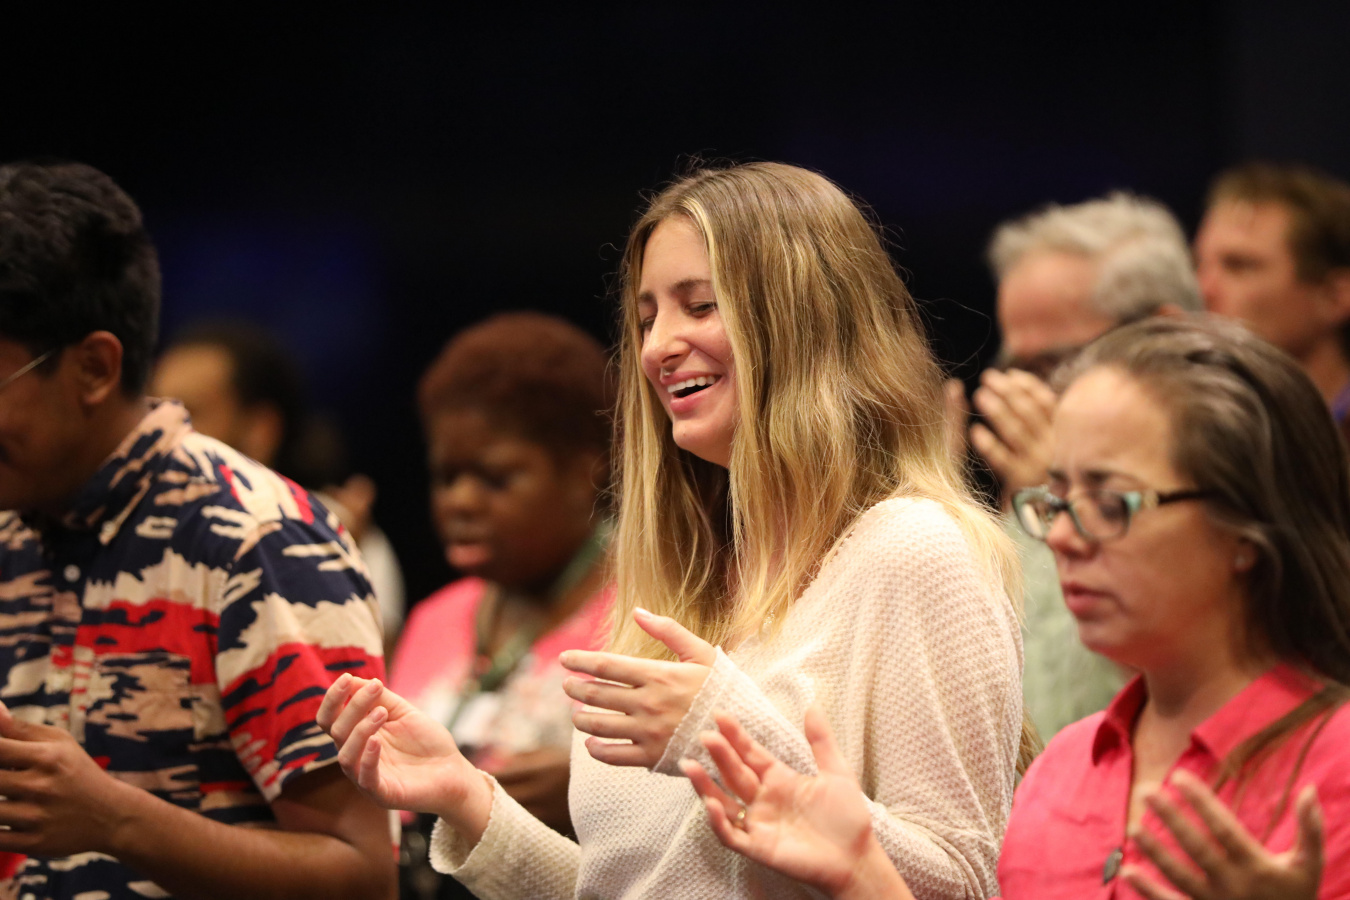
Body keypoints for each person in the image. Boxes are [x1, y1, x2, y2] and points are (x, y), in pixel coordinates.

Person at [317, 161, 1028, 899]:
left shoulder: (915, 550)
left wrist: (721, 734)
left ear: (800, 320)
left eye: (700, 306)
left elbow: (961, 880)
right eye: (648, 317)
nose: (658, 347)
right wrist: (470, 800)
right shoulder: (682, 578)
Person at [690, 316, 1350, 900]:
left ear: (1244, 526)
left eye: (1110, 503)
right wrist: (863, 873)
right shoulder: (1062, 771)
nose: (1060, 537)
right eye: (1056, 501)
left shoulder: (1334, 761)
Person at [0, 161, 395, 900]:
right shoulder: (10, 529)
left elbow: (363, 875)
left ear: (94, 368)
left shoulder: (259, 539)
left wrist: (114, 819)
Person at [390, 312, 615, 899]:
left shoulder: (652, 612)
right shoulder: (434, 618)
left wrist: (595, 793)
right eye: (446, 477)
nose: (460, 502)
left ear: (586, 471)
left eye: (495, 478)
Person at [970, 193, 1202, 739]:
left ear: (1163, 335)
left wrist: (1064, 500)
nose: (1028, 395)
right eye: (1017, 367)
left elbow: (1076, 711)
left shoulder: (1219, 493)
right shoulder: (1027, 494)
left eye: (1055, 364)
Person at [151, 320, 408, 645]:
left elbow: (370, 672)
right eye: (154, 410)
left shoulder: (336, 532)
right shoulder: (133, 529)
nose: (161, 432)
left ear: (260, 430)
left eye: (188, 413)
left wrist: (320, 569)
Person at [1193, 162, 1350, 431]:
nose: (1203, 289)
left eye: (1238, 265)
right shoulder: (1205, 432)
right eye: (1197, 264)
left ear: (1334, 296)